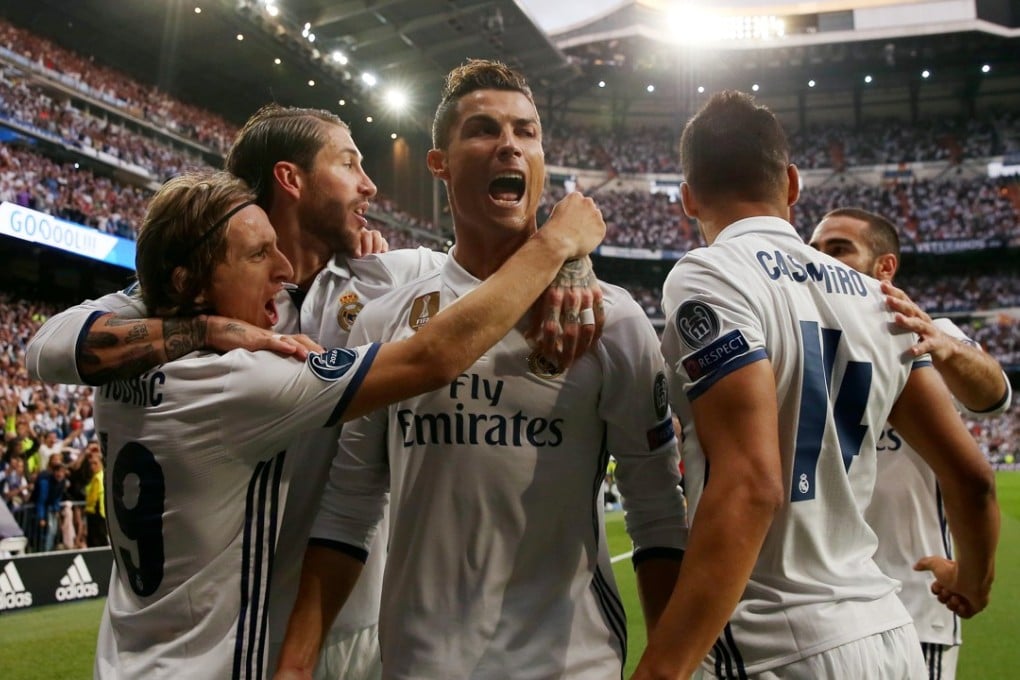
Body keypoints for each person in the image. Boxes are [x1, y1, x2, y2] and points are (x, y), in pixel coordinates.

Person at [26, 103, 602, 678]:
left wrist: (573, 263)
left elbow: (497, 274)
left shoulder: (390, 276)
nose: (369, 184)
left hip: (345, 620)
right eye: (349, 164)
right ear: (291, 179)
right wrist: (207, 330)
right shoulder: (208, 295)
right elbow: (47, 347)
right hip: (235, 632)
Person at [275, 59, 687, 680]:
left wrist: (667, 668)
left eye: (526, 132)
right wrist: (294, 665)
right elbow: (349, 505)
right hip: (418, 665)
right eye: (484, 129)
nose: (509, 145)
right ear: (439, 162)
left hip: (570, 666)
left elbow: (655, 507)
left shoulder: (612, 318)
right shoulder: (385, 319)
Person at [639, 91, 999, 679]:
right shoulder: (880, 300)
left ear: (688, 198)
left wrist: (661, 670)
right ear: (792, 184)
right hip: (889, 635)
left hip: (775, 640)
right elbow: (972, 479)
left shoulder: (711, 273)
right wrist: (973, 581)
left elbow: (752, 486)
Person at [810, 207, 1012, 680]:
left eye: (839, 249)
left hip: (911, 607)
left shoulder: (924, 336)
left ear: (885, 267)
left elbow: (993, 397)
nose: (820, 261)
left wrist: (946, 348)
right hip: (820, 614)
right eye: (814, 250)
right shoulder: (800, 343)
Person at [83, 446, 107, 547]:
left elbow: (95, 497)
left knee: (99, 539)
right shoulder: (95, 477)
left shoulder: (99, 477)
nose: (92, 466)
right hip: (95, 513)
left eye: (95, 463)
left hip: (98, 512)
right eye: (91, 464)